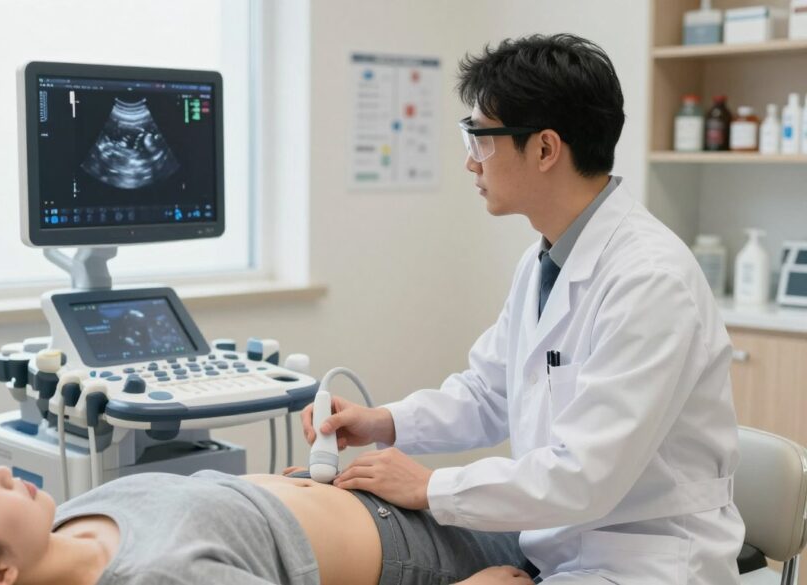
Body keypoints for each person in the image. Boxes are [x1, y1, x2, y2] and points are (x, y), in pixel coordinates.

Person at [302, 34, 744, 584]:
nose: (470, 162)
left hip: (649, 561)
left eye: (480, 138)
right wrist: (383, 422)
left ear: (544, 149)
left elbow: (585, 475)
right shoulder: (546, 259)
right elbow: (489, 392)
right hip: (557, 542)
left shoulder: (650, 281)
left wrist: (430, 486)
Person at [0, 465, 537, 585]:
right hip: (423, 555)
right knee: (580, 530)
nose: (1, 474)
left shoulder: (67, 522)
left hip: (383, 499)